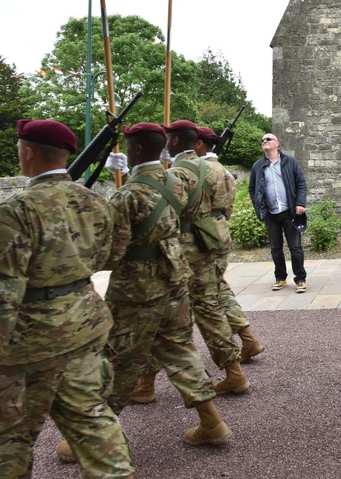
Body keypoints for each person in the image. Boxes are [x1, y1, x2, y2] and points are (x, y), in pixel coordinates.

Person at [0, 119, 135, 478]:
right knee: (92, 422)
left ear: (27, 155)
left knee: (6, 437)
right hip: (84, 326)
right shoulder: (94, 201)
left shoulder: (17, 210)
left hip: (30, 341)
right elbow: (110, 257)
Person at [56, 123, 230, 462]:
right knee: (180, 349)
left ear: (134, 151)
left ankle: (93, 439)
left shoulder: (127, 195)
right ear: (160, 148)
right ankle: (212, 422)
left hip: (135, 288)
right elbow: (194, 215)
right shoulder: (177, 181)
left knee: (116, 356)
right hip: (175, 276)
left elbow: (110, 253)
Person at [165, 120, 249, 396]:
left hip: (192, 243)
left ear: (176, 141)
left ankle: (231, 369)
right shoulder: (217, 168)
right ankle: (244, 348)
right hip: (215, 233)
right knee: (213, 297)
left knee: (201, 308)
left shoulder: (180, 172)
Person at [196, 126, 265, 363]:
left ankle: (230, 357)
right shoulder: (224, 171)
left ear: (199, 144)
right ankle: (247, 338)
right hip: (220, 232)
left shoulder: (197, 171)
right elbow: (228, 208)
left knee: (205, 298)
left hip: (199, 236)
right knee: (218, 286)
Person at [249, 132, 309, 291]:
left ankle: (300, 279)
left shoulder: (290, 162)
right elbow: (252, 189)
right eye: (262, 140)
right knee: (276, 248)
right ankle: (280, 277)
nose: (264, 141)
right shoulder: (257, 166)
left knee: (295, 247)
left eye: (268, 139)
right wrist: (258, 206)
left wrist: (300, 203)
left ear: (277, 143)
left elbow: (301, 184)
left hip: (289, 211)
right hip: (270, 213)